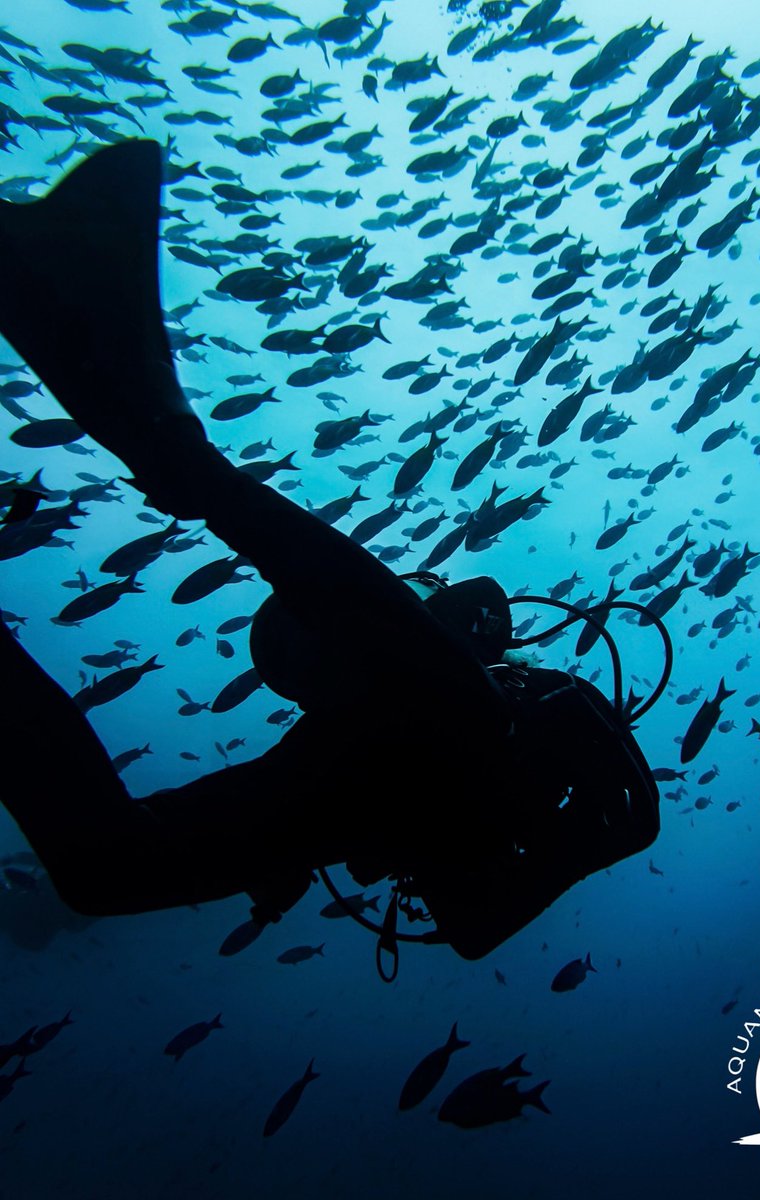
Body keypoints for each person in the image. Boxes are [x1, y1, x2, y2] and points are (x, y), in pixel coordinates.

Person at [0, 140, 660, 961]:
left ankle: (93, 305)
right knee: (201, 485)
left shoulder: (419, 739)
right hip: (430, 724)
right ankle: (90, 289)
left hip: (392, 765)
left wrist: (279, 843)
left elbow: (475, 927)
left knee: (105, 872)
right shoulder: (479, 708)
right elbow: (605, 834)